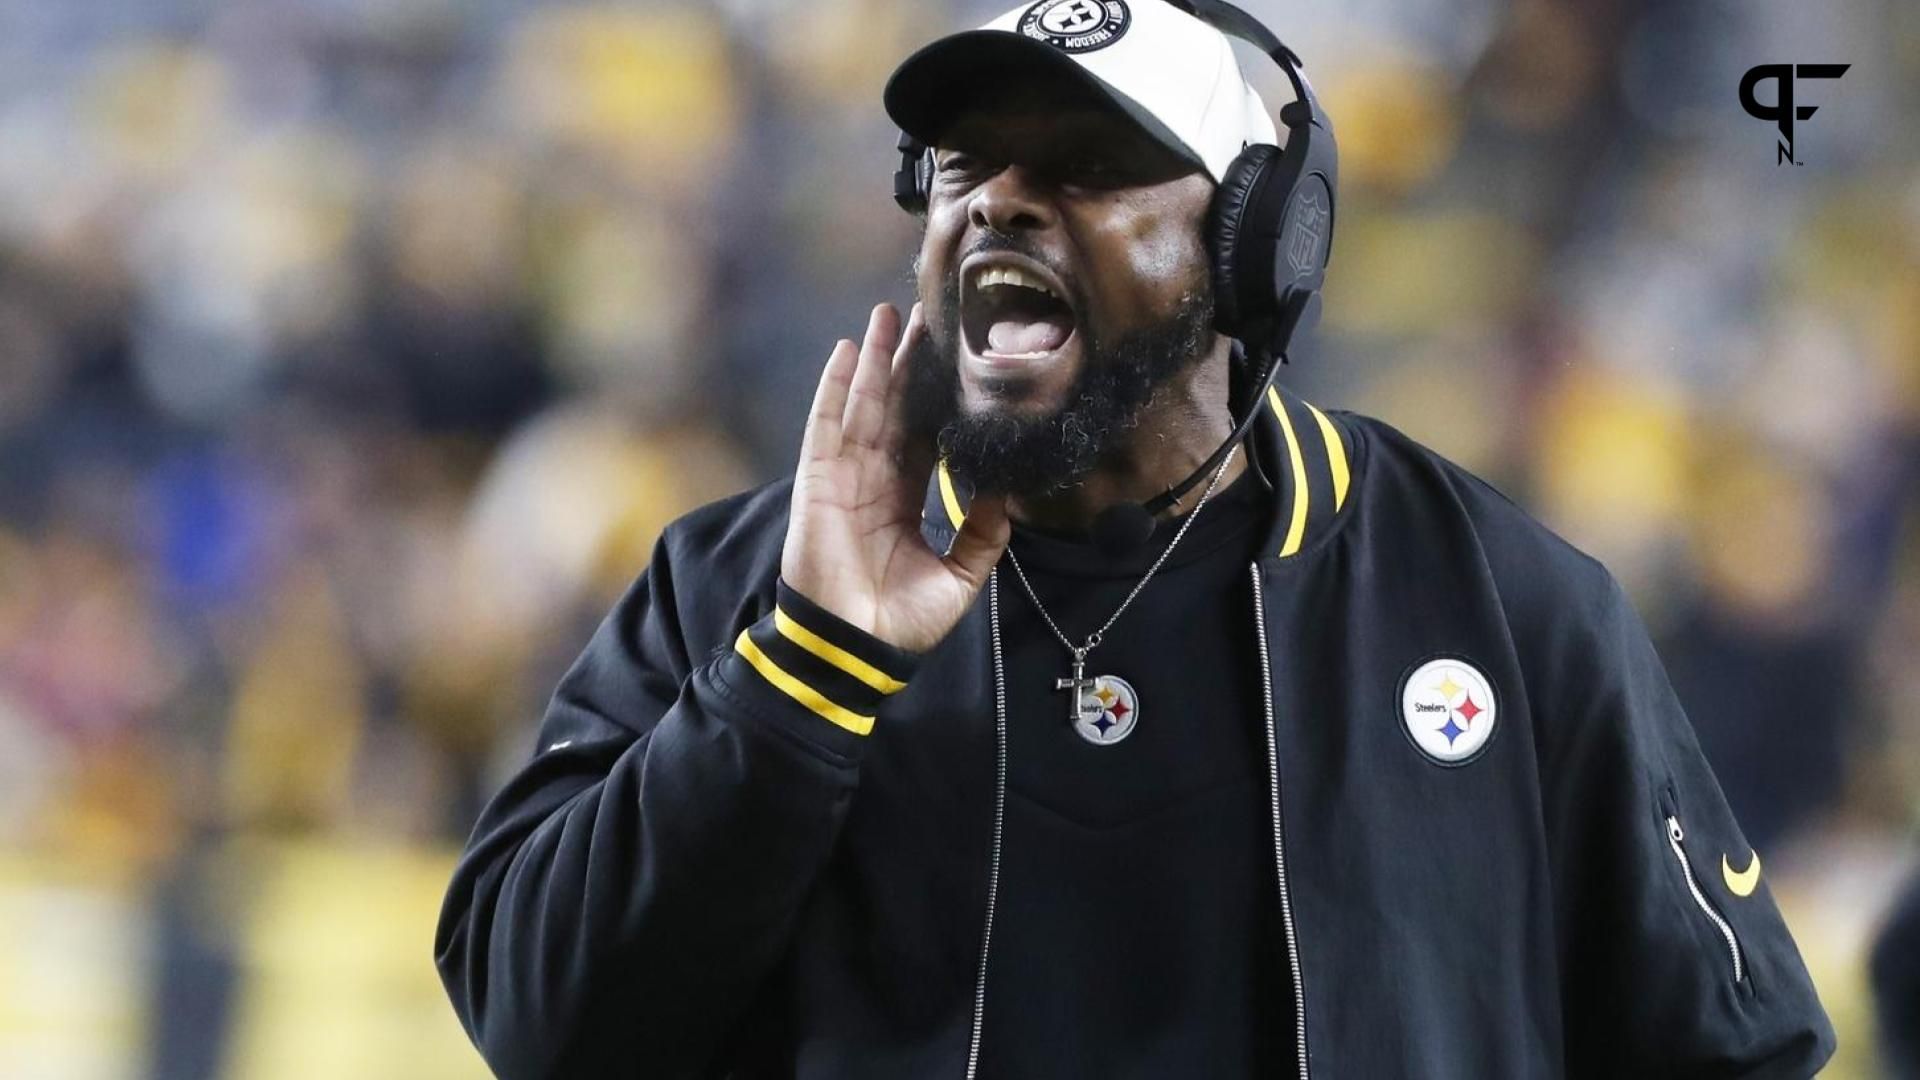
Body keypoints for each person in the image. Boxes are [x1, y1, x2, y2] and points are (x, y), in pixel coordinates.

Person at [433, 1, 1835, 1076]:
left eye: (1093, 164)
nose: (999, 199)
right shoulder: (744, 588)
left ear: (1256, 247)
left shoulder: (1500, 604)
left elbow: (1737, 1049)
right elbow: (537, 1022)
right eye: (968, 162)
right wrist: (805, 674)